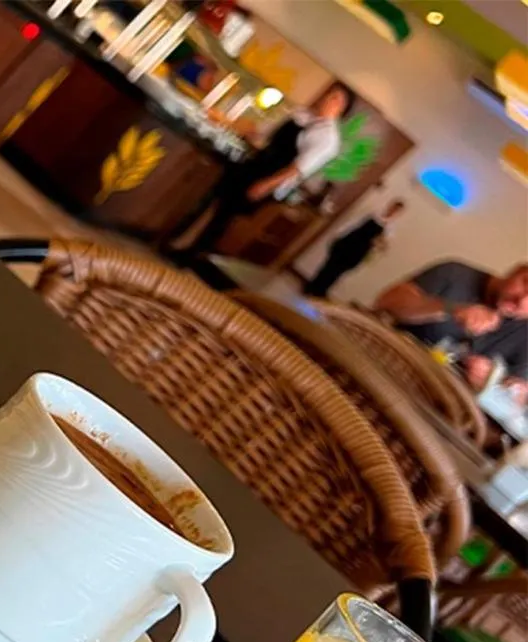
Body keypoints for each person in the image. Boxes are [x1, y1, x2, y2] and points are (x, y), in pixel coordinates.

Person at [177, 82, 352, 257]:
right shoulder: (301, 114)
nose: (327, 99)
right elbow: (259, 131)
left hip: (272, 177)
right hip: (257, 163)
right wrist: (224, 121)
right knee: (216, 196)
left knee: (226, 213)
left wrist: (266, 185)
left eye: (334, 98)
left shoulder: (328, 138)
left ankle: (192, 252)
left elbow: (298, 169)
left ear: (341, 108)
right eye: (328, 94)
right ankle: (179, 239)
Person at [375, 261, 528, 402]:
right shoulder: (454, 274)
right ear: (515, 271)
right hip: (384, 367)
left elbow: (520, 395)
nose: (521, 300)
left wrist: (493, 381)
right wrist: (450, 309)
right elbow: (387, 301)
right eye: (525, 283)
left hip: (433, 403)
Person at [305, 199, 405, 297]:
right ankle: (311, 287)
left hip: (359, 251)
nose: (393, 211)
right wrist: (339, 234)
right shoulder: (372, 213)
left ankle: (321, 291)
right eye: (393, 207)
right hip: (348, 242)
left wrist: (379, 243)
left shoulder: (390, 229)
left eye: (396, 210)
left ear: (398, 213)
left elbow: (383, 246)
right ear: (389, 205)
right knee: (329, 265)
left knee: (338, 271)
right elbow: (352, 224)